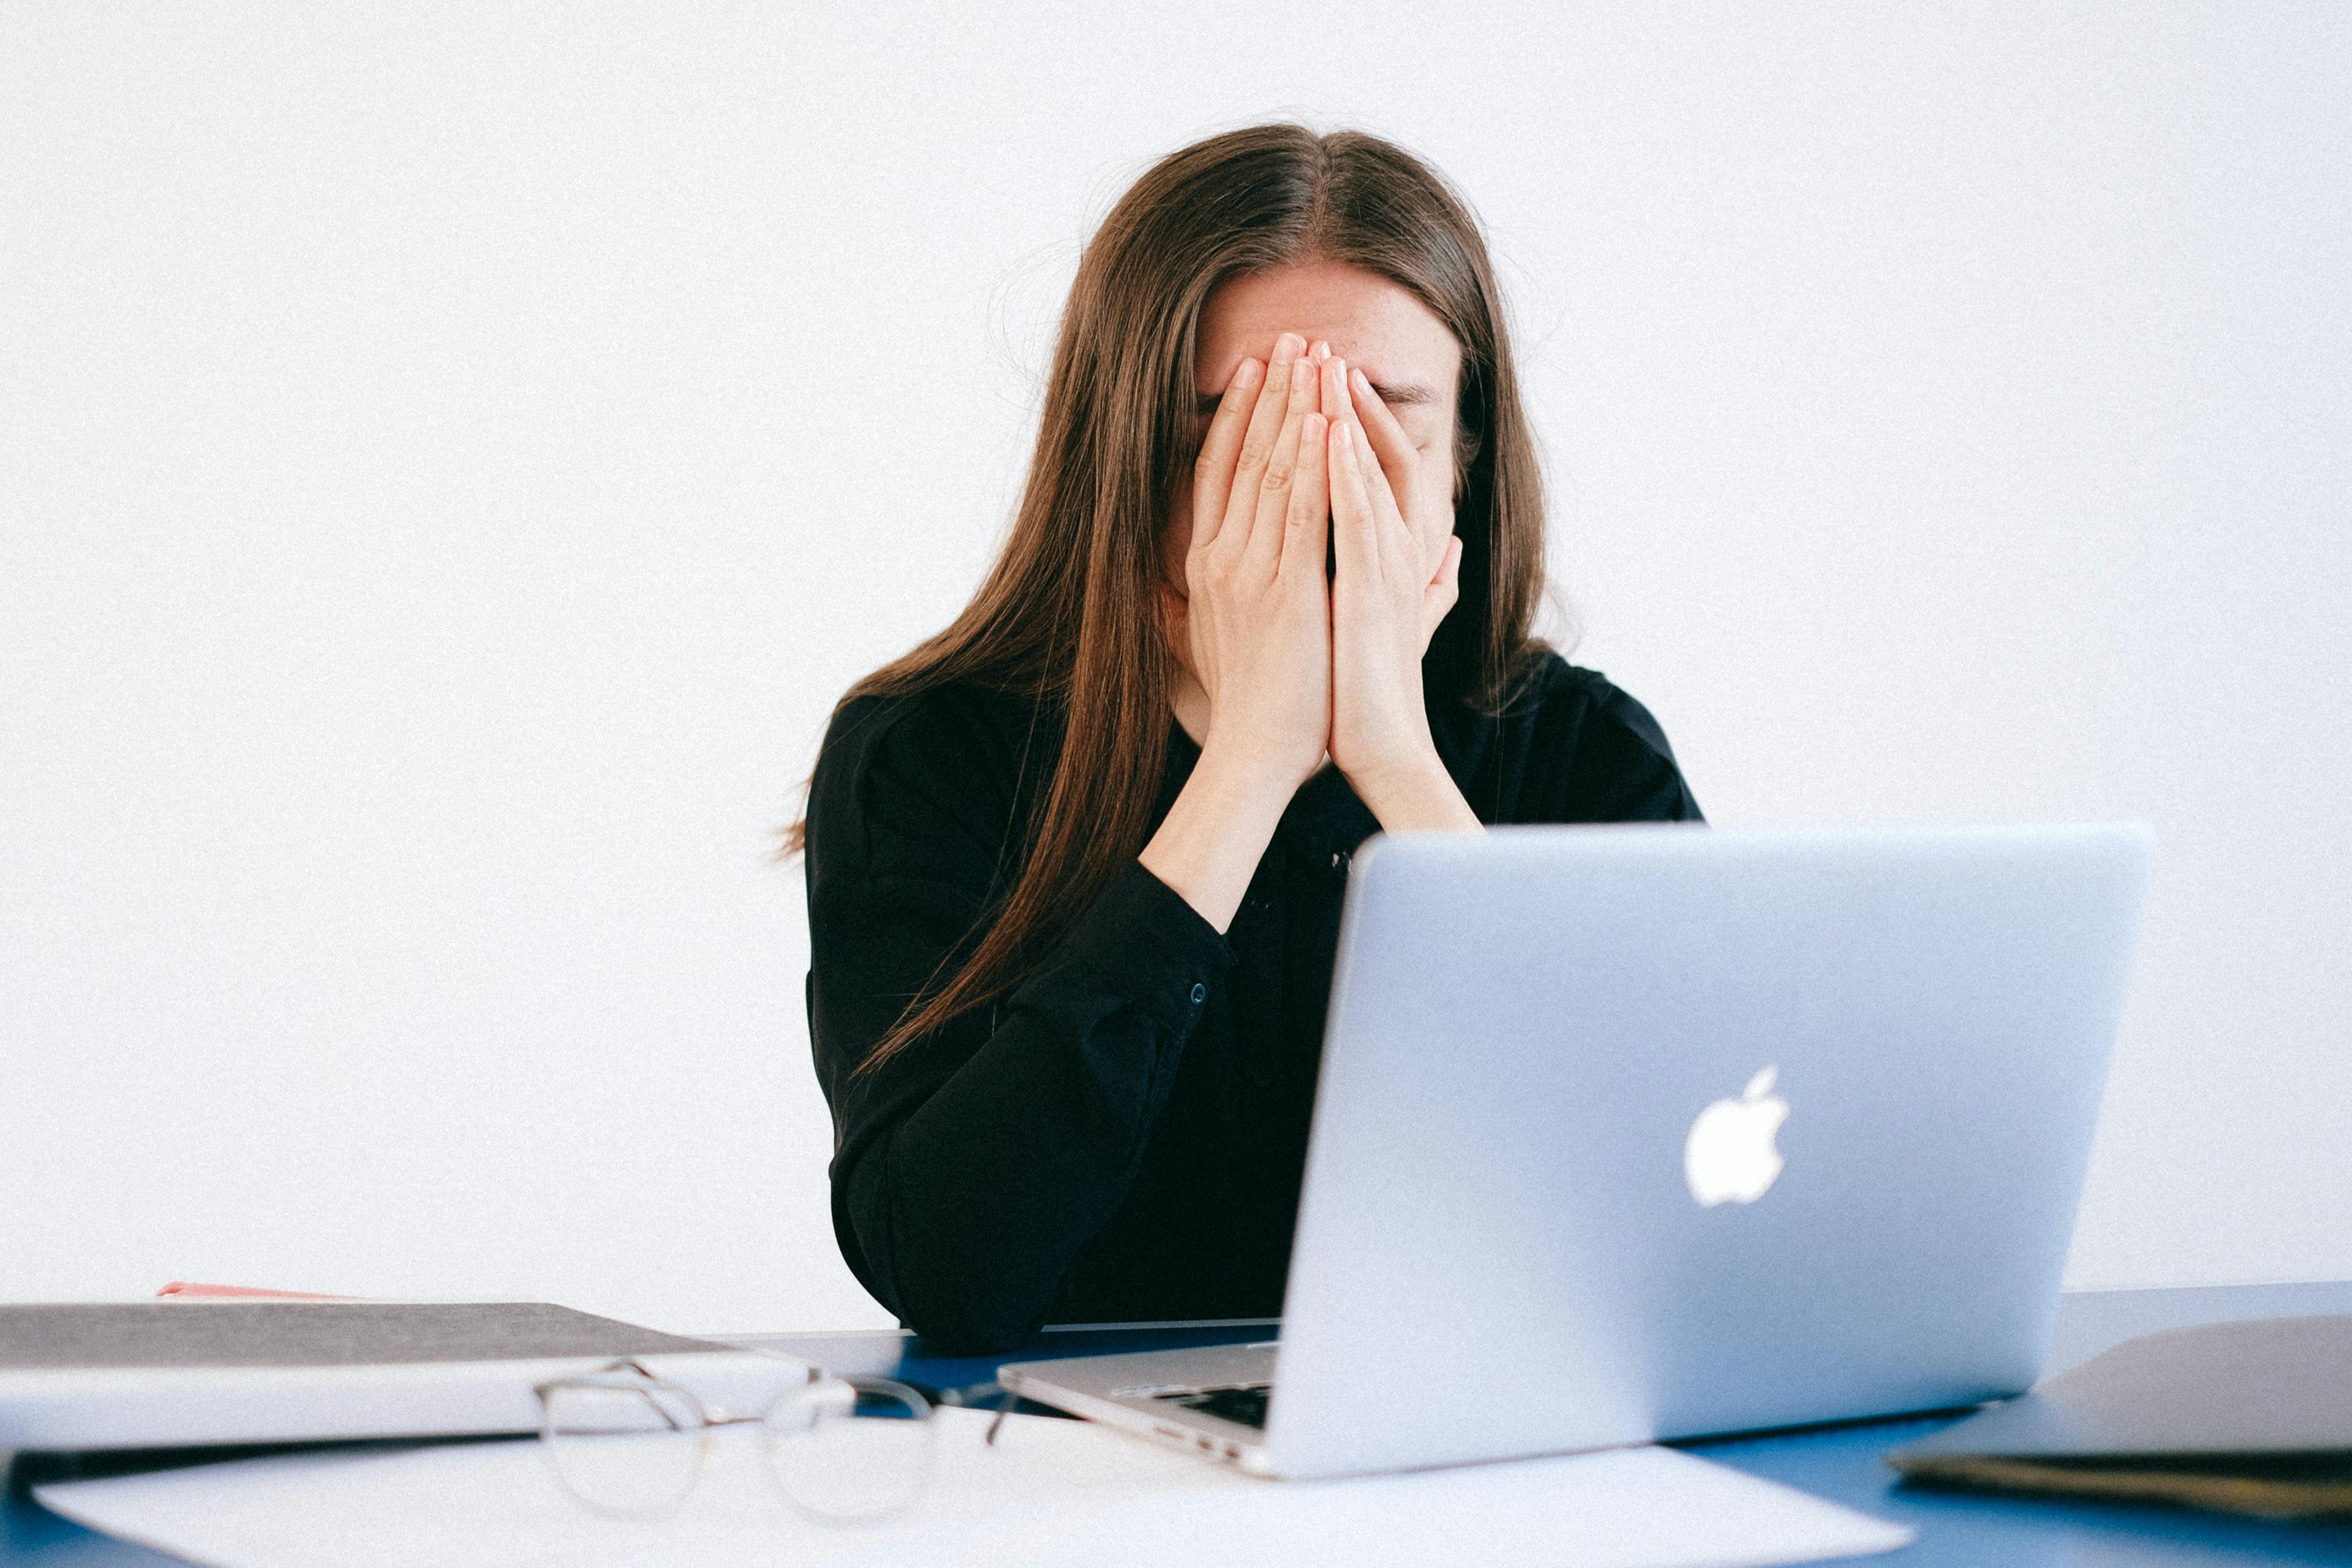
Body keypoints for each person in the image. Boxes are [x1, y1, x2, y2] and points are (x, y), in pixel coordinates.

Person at [786, 124, 1702, 1354]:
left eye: (1382, 429)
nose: (1314, 489)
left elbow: (1668, 1226)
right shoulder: (926, 756)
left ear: (1465, 466)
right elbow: (950, 1268)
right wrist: (1251, 762)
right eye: (1238, 432)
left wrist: (1394, 759)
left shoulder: (1584, 751)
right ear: (1124, 457)